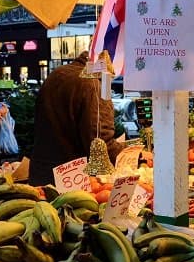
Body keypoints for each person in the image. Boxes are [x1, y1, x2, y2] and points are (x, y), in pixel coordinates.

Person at [29, 52, 125, 186]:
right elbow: (102, 142)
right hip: (72, 183)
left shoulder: (57, 73)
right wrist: (135, 157)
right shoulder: (96, 84)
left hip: (41, 175)